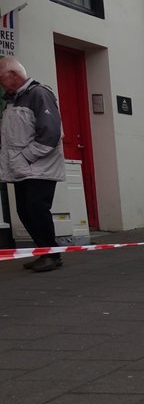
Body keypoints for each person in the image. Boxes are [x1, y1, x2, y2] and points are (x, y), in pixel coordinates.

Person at [0, 57, 65, 272]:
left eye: (1, 78)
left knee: (37, 209)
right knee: (25, 211)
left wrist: (26, 157)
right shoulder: (12, 100)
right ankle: (44, 252)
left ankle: (52, 255)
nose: (1, 84)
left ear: (14, 75)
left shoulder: (39, 94)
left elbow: (51, 133)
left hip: (39, 167)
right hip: (23, 169)